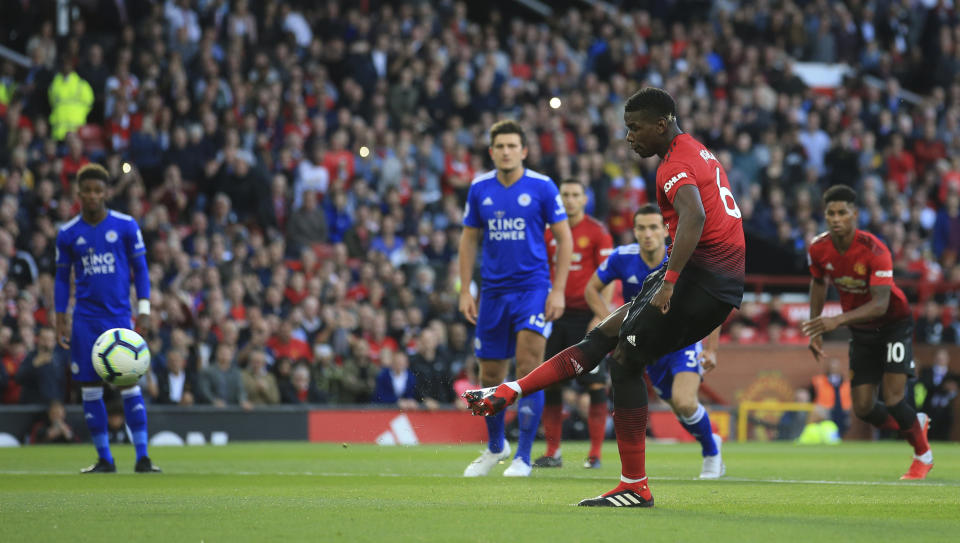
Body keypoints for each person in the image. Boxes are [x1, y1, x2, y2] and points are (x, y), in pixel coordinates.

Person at [463, 88, 745, 507]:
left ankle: (635, 484)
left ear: (661, 124)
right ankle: (512, 389)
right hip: (710, 278)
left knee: (625, 362)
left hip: (697, 280)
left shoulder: (674, 165)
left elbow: (695, 216)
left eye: (635, 128)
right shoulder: (695, 151)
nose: (629, 137)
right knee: (602, 338)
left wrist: (669, 281)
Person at [458, 119, 572, 477]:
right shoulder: (479, 189)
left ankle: (523, 456)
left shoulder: (542, 186)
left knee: (527, 367)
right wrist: (465, 289)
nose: (506, 151)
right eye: (500, 146)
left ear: (523, 150)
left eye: (512, 146)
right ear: (492, 152)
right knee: (489, 372)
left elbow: (564, 239)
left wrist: (557, 290)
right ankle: (496, 447)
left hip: (533, 289)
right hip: (492, 292)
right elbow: (468, 240)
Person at [801, 184, 933, 480]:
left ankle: (922, 456)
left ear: (855, 214)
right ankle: (914, 423)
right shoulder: (818, 248)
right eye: (830, 214)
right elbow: (819, 283)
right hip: (862, 332)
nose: (836, 219)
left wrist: (837, 320)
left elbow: (880, 304)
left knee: (895, 398)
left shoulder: (875, 250)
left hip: (893, 325)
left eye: (842, 213)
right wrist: (815, 328)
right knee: (862, 407)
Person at [584, 204, 724, 478]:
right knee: (679, 409)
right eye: (642, 228)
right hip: (648, 347)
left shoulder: (682, 258)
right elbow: (592, 290)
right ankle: (711, 441)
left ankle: (711, 451)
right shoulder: (621, 258)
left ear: (665, 230)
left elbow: (714, 301)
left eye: (653, 227)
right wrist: (613, 325)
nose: (648, 234)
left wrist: (711, 348)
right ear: (634, 231)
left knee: (685, 401)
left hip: (682, 340)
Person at [54, 163, 160, 473]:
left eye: (98, 190)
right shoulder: (68, 233)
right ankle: (105, 459)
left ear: (107, 193)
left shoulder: (126, 226)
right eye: (86, 190)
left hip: (119, 320)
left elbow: (141, 270)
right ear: (78, 193)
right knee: (89, 388)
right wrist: (60, 317)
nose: (92, 196)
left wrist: (144, 310)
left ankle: (143, 457)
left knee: (130, 386)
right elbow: (62, 279)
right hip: (85, 320)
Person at [534, 179, 613, 470]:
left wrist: (600, 315)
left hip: (587, 318)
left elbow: (608, 275)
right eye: (564, 195)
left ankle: (595, 455)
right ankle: (553, 452)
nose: (569, 199)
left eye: (575, 194)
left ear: (584, 199)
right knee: (551, 383)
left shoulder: (597, 232)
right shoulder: (548, 233)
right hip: (555, 317)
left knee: (595, 386)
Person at [917, 348, 958, 441]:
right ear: (934, 358)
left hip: (945, 410)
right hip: (929, 409)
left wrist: (951, 391)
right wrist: (944, 388)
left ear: (948, 359)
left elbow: (954, 392)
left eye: (943, 358)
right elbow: (928, 387)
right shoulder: (926, 372)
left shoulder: (952, 374)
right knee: (927, 436)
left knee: (944, 436)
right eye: (939, 358)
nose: (941, 360)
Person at [810, 357, 852, 437]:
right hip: (825, 410)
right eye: (832, 367)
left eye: (836, 367)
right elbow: (811, 395)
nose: (834, 369)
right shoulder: (819, 381)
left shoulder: (846, 383)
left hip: (843, 411)